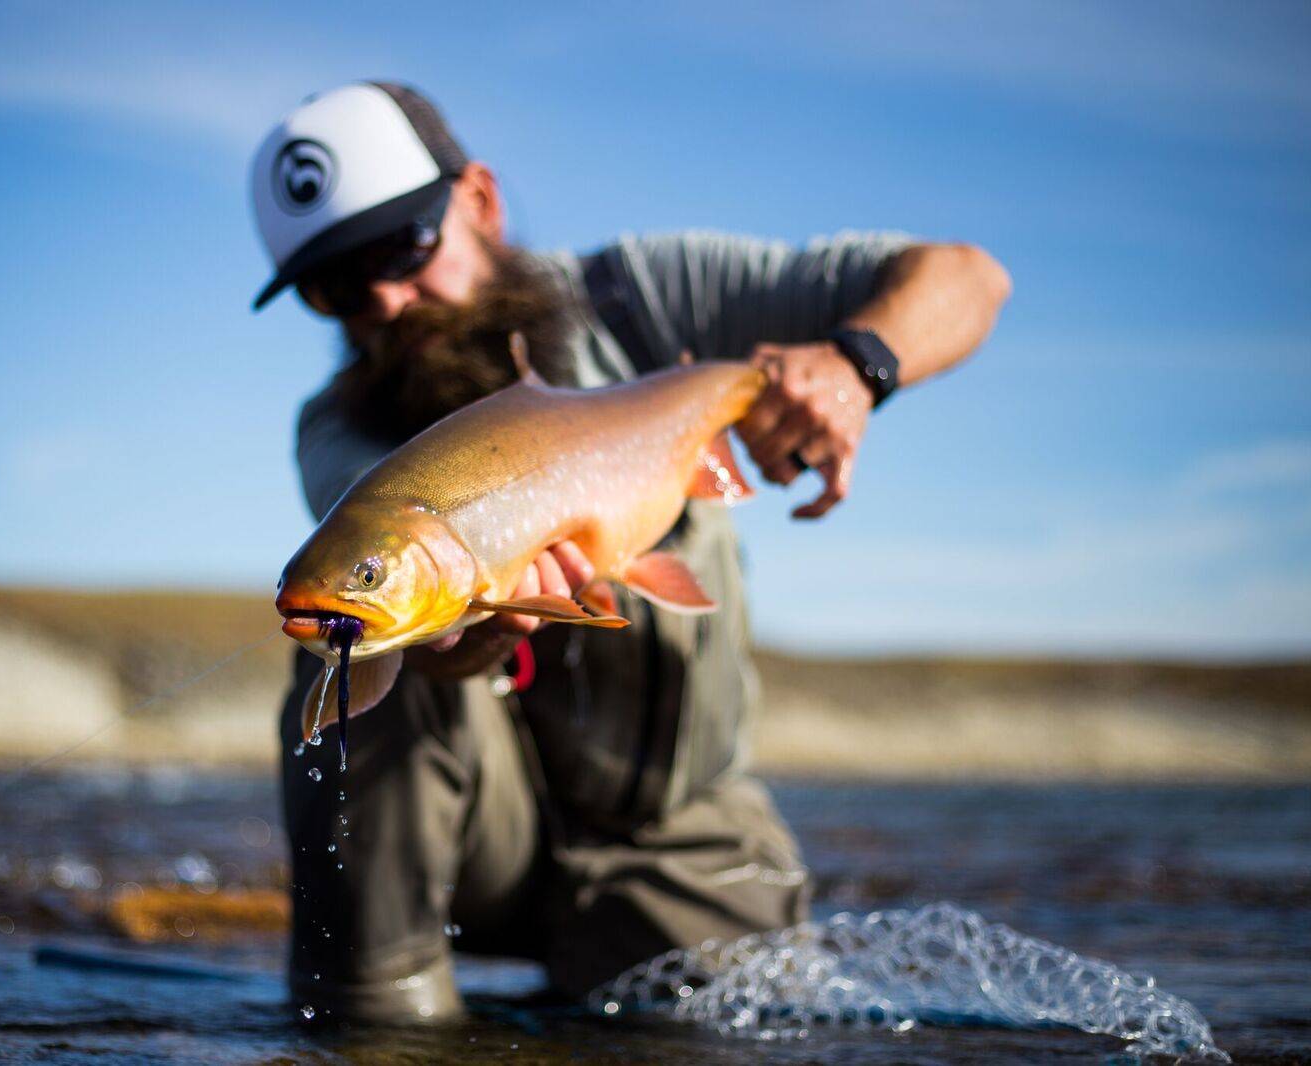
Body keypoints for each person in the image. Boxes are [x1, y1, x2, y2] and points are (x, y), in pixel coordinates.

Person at [248, 82, 1010, 1022]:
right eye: (337, 286)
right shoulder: (337, 430)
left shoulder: (648, 298)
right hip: (481, 846)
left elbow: (970, 279)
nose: (388, 301)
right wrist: (472, 635)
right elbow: (422, 617)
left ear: (479, 199)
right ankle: (374, 1018)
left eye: (403, 247)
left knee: (758, 1024)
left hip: (677, 839)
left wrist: (856, 366)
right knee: (351, 650)